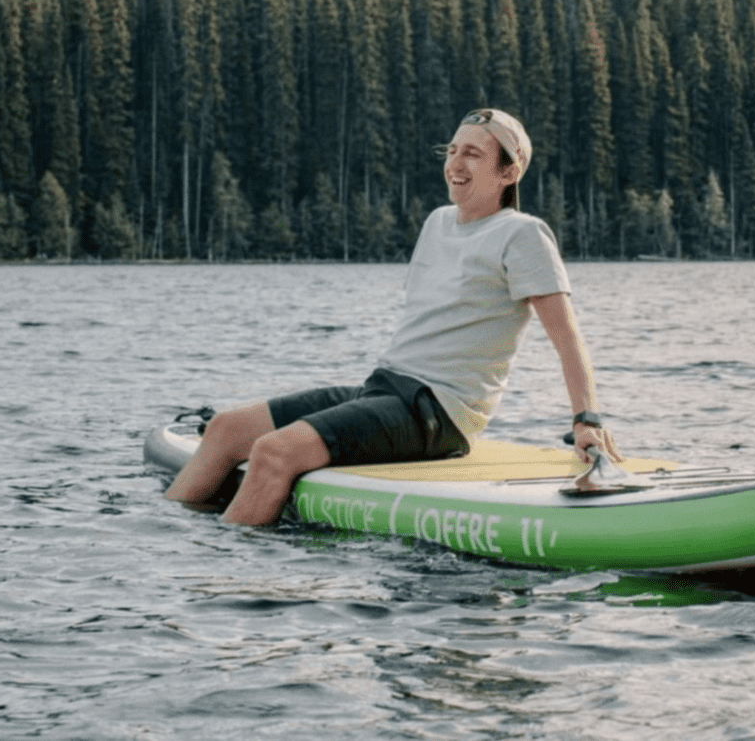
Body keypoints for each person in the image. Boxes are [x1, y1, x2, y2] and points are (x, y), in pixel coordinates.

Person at [166, 107, 621, 525]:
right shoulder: (438, 222)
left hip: (438, 413)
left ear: (509, 170)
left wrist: (587, 419)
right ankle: (165, 548)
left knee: (272, 452)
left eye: (475, 155)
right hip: (384, 386)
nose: (456, 164)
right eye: (453, 150)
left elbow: (567, 337)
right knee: (226, 429)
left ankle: (226, 579)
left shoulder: (522, 235)